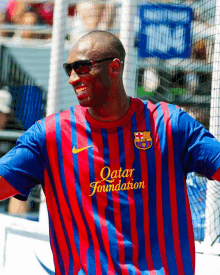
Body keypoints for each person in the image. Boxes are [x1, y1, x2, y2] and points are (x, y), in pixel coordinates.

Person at [1, 30, 220, 274]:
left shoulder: (169, 124)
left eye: (82, 67)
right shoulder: (49, 135)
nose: (73, 78)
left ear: (114, 68)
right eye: (69, 69)